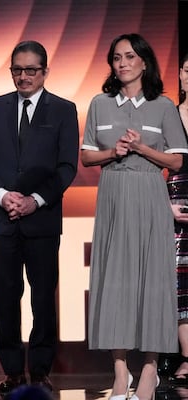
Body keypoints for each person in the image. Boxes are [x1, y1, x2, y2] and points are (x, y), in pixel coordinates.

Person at [83, 33, 187, 400]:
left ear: (144, 61)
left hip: (149, 195)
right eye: (116, 57)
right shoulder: (100, 103)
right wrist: (115, 150)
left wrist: (142, 147)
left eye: (129, 56)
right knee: (114, 282)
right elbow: (87, 157)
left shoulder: (163, 106)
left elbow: (176, 159)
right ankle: (119, 372)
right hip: (113, 194)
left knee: (153, 283)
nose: (122, 63)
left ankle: (148, 371)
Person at [0, 41, 79, 395]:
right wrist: (4, 197)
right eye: (17, 69)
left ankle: (41, 370)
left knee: (43, 298)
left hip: (42, 220)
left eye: (31, 70)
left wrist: (34, 200)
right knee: (5, 297)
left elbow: (66, 168)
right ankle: (14, 371)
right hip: (2, 220)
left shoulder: (64, 110)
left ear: (45, 72)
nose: (23, 76)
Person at [166, 52, 188, 386]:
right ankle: (187, 359)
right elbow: (153, 164)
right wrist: (164, 204)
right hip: (175, 206)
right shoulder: (167, 115)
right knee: (181, 281)